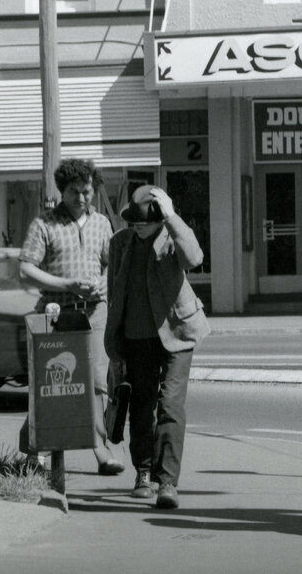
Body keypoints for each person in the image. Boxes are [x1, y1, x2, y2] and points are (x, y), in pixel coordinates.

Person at [104, 184, 210, 510]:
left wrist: (173, 216)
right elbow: (114, 296)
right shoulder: (120, 244)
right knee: (141, 404)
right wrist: (115, 348)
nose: (136, 227)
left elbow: (194, 258)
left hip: (178, 333)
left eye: (143, 222)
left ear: (159, 218)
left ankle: (167, 483)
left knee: (170, 406)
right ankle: (144, 471)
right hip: (137, 336)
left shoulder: (171, 237)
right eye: (132, 222)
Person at [19, 158, 124, 475]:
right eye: (74, 192)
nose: (82, 198)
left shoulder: (103, 224)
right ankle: (34, 450)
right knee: (52, 385)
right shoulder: (44, 225)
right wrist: (68, 285)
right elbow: (26, 270)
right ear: (62, 191)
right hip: (56, 315)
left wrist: (99, 286)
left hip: (95, 314)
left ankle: (100, 451)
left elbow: (113, 265)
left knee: (94, 384)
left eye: (87, 191)